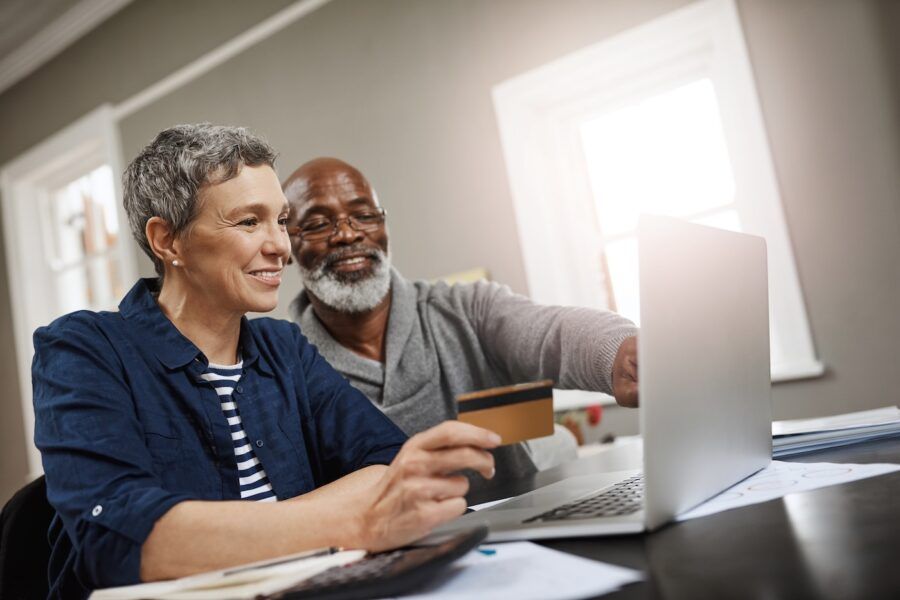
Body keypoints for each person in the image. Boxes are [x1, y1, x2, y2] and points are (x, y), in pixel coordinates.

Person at [32, 125, 500, 599]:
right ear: (168, 241)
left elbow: (391, 467)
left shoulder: (285, 348)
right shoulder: (82, 349)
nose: (281, 246)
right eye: (249, 222)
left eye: (280, 220)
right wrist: (356, 519)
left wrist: (217, 533)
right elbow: (121, 538)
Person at [282, 157, 639, 484]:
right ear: (286, 245)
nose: (348, 234)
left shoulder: (467, 308)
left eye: (364, 215)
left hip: (516, 536)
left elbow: (551, 334)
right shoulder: (283, 372)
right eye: (317, 224)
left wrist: (622, 353)